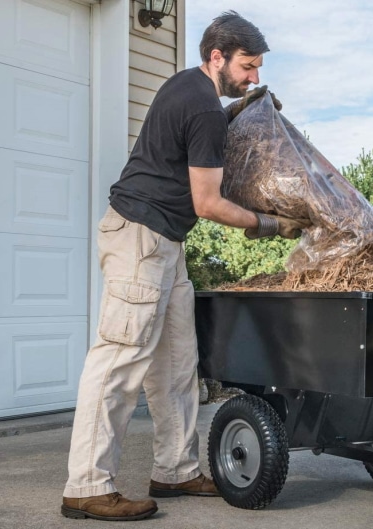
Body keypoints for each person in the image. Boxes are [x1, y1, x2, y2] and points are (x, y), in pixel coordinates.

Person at [61, 11, 308, 521]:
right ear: (217, 56)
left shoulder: (189, 91)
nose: (254, 77)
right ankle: (85, 485)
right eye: (247, 65)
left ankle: (175, 470)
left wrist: (240, 112)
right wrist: (269, 224)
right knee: (119, 363)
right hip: (139, 240)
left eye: (257, 68)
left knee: (176, 361)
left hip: (164, 244)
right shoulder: (201, 106)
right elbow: (208, 202)